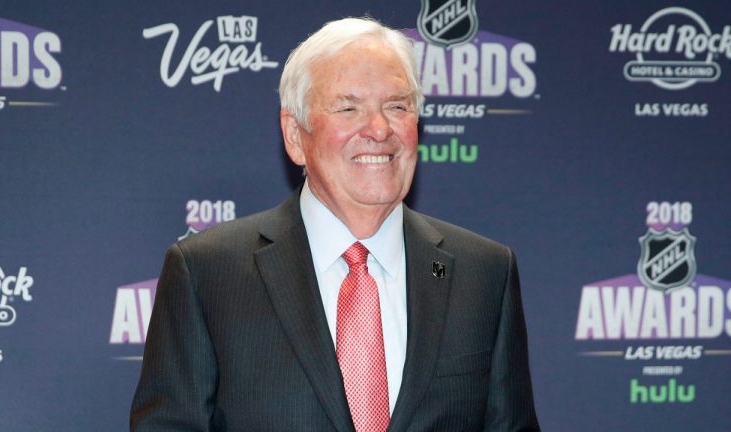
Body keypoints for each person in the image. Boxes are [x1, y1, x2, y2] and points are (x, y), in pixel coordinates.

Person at [131, 17, 540, 432]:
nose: (379, 129)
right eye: (348, 107)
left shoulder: (485, 272)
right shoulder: (208, 272)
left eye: (397, 106)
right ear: (295, 135)